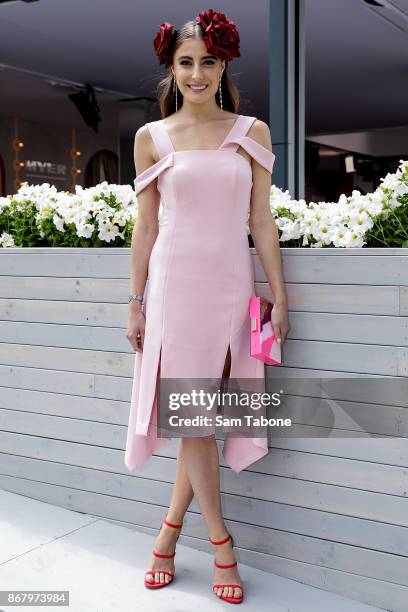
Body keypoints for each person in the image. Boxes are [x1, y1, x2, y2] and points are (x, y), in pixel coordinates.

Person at [125, 8, 289, 605]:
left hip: (232, 289)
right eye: (186, 63)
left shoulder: (253, 132)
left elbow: (262, 222)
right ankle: (223, 545)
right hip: (174, 291)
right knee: (196, 421)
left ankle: (167, 536)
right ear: (171, 69)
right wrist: (136, 303)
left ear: (224, 66)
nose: (198, 74)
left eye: (208, 62)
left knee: (200, 419)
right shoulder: (152, 138)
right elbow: (145, 228)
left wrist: (278, 295)